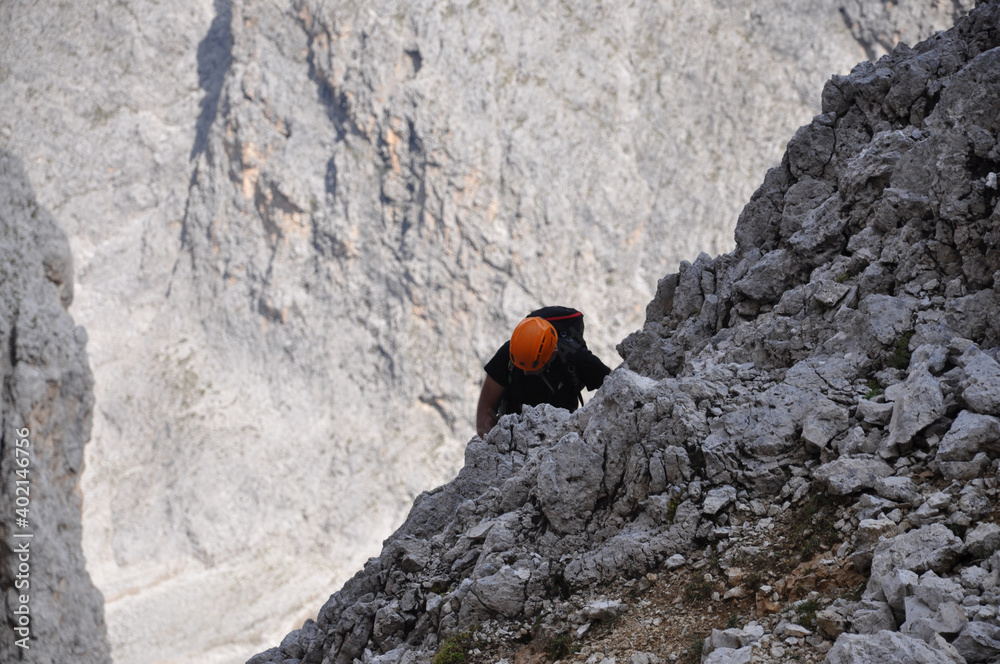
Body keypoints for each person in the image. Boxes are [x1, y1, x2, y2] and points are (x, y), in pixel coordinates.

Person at [476, 306, 611, 436]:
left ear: (553, 354)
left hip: (561, 440)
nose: (525, 372)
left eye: (533, 366)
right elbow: (486, 409)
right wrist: (494, 449)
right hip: (512, 438)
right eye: (521, 366)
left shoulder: (576, 358)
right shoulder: (509, 352)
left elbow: (618, 387)